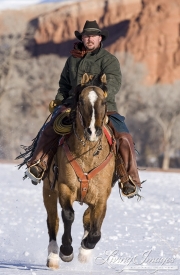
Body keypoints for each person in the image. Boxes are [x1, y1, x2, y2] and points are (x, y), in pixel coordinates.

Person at [21, 20, 142, 198]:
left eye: (93, 36)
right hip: (72, 106)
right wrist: (59, 101)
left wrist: (101, 96)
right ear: (82, 38)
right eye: (86, 36)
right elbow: (63, 84)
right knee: (50, 129)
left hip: (103, 107)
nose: (89, 39)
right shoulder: (72, 60)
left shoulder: (109, 60)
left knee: (124, 137)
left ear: (100, 38)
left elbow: (114, 83)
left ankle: (129, 179)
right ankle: (39, 163)